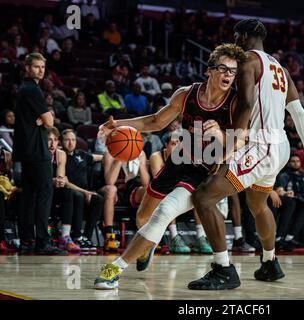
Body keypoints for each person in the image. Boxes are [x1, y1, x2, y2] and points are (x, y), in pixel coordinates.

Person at [94, 43, 246, 289]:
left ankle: (115, 269)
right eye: (223, 69)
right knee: (143, 215)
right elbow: (155, 121)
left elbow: (242, 141)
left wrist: (221, 136)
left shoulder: (236, 103)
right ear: (209, 70)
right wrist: (117, 125)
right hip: (180, 159)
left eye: (233, 72)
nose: (228, 75)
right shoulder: (186, 94)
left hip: (205, 169)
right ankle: (148, 244)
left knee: (165, 212)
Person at [188, 19, 304, 290]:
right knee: (258, 205)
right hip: (281, 145)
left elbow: (246, 104)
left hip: (262, 145)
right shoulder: (281, 70)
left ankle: (223, 269)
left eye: (237, 36)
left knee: (203, 197)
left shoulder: (248, 60)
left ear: (247, 36)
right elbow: (298, 113)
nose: (235, 41)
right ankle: (270, 263)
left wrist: (229, 148)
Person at [13, 53, 65, 254]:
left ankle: (27, 241)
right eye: (36, 66)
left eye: (43, 67)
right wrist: (45, 119)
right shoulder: (33, 89)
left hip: (26, 150)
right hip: (37, 149)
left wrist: (41, 119)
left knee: (29, 196)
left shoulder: (23, 89)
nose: (40, 70)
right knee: (44, 194)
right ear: (27, 68)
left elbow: (44, 119)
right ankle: (43, 242)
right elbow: (51, 122)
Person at [60, 129, 104, 251]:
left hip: (84, 192)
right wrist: (85, 192)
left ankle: (87, 237)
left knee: (98, 199)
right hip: (68, 193)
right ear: (61, 142)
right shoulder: (60, 156)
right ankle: (77, 235)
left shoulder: (82, 154)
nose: (70, 143)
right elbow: (65, 183)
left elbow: (101, 157)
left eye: (73, 140)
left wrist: (118, 156)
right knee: (78, 195)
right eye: (67, 140)